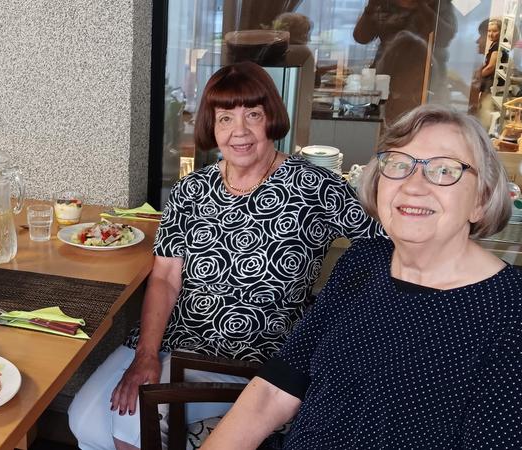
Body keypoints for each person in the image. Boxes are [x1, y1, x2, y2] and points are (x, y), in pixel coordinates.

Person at [68, 61, 385, 450]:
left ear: (271, 118)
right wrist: (146, 355)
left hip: (247, 357)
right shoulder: (191, 189)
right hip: (172, 338)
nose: (240, 131)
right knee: (83, 420)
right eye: (225, 118)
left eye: (253, 115)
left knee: (129, 424)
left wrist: (346, 311)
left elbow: (385, 242)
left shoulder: (315, 186)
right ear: (211, 125)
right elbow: (165, 277)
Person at [203, 105, 522, 448]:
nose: (413, 186)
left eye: (444, 170)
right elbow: (275, 389)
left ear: (481, 200)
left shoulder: (510, 310)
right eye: (399, 164)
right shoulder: (365, 260)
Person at [354, 0, 457, 125]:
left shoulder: (438, 3)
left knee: (429, 125)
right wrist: (372, 6)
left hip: (426, 82)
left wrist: (421, 5)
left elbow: (445, 37)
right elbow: (361, 37)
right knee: (384, 126)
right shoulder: (383, 4)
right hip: (387, 81)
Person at [471, 19, 502, 130]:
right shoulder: (494, 44)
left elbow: (490, 67)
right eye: (489, 31)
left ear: (501, 32)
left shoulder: (497, 46)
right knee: (480, 105)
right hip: (488, 82)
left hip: (491, 83)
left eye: (494, 31)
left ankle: (482, 128)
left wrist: (477, 77)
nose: (491, 34)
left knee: (484, 107)